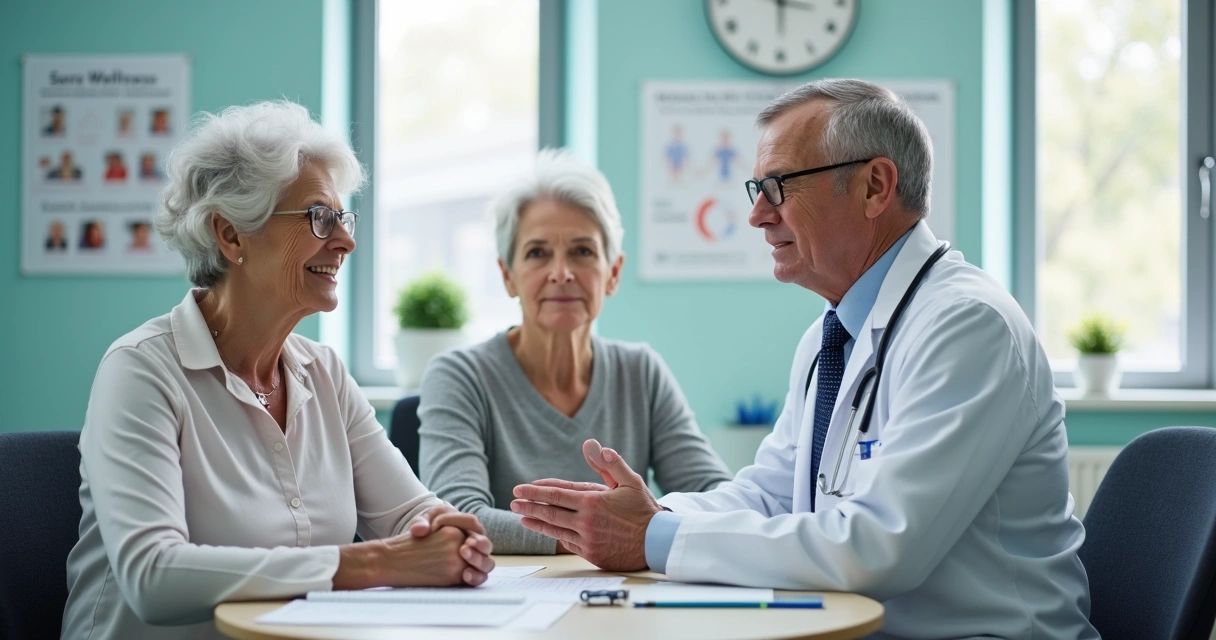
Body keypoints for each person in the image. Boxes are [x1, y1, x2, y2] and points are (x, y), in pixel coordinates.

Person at [511, 80, 1098, 639]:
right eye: (756, 190)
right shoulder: (832, 334)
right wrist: (646, 513)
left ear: (875, 186)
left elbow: (876, 547)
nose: (758, 215)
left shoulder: (967, 326)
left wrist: (652, 536)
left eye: (781, 186)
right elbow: (769, 494)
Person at [61, 101, 494, 640]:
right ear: (231, 234)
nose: (345, 240)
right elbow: (153, 576)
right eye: (318, 217)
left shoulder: (325, 372)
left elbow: (411, 512)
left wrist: (450, 536)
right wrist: (376, 564)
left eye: (343, 218)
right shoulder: (140, 371)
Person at [419, 149, 733, 555]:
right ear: (508, 276)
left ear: (613, 273)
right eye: (537, 253)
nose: (562, 272)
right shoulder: (459, 374)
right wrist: (609, 533)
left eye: (582, 251)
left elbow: (717, 495)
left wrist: (637, 531)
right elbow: (457, 515)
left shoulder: (640, 371)